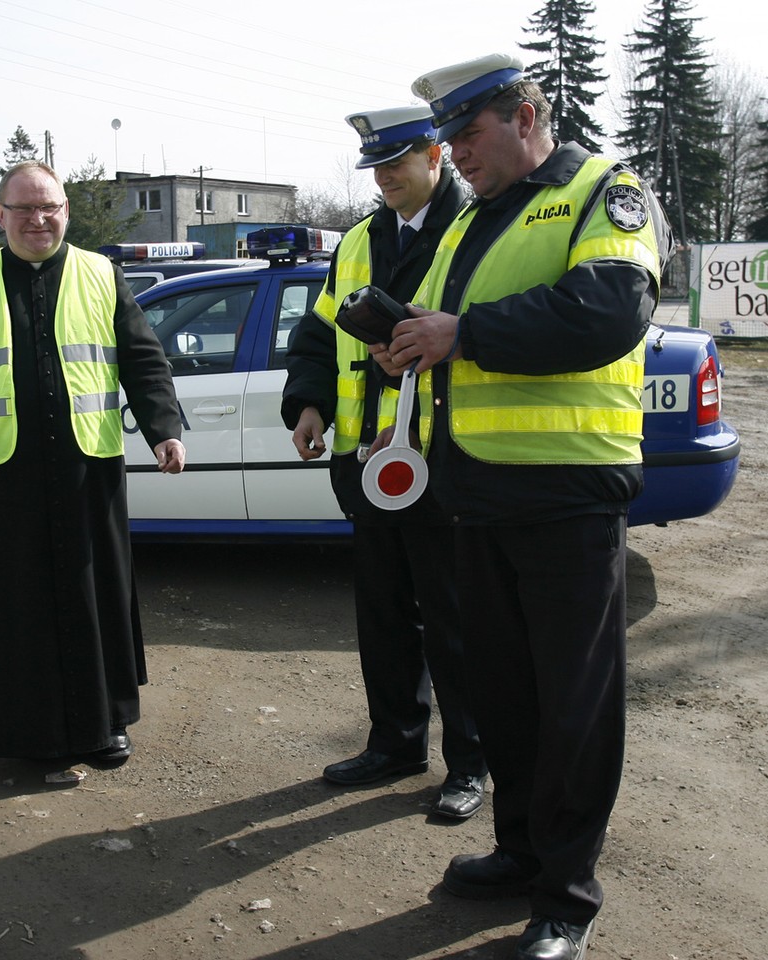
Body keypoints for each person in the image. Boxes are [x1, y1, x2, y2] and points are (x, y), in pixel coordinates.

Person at [369, 55, 671, 960]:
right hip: (476, 493)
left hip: (566, 494)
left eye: (467, 133)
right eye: (450, 138)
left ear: (526, 115)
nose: (454, 152)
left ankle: (566, 896)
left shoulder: (602, 191)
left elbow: (607, 311)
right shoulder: (472, 226)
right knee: (505, 695)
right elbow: (446, 329)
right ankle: (518, 849)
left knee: (574, 705)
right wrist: (409, 341)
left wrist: (464, 335)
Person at [0, 160, 185, 766]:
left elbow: (143, 360)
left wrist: (163, 428)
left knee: (95, 596)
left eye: (49, 207)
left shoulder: (102, 274)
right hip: (6, 474)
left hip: (88, 468)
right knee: (15, 604)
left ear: (64, 211)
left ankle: (104, 724)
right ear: (0, 214)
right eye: (24, 208)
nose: (38, 219)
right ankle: (19, 732)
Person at [281, 106, 488, 819]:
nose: (385, 177)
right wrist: (306, 402)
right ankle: (395, 742)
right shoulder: (360, 240)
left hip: (443, 463)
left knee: (455, 619)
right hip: (369, 466)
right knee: (384, 615)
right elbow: (316, 332)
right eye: (376, 166)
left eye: (398, 162)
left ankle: (470, 762)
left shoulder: (475, 227)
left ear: (436, 157)